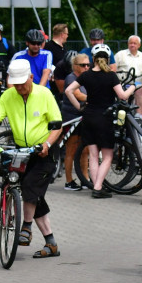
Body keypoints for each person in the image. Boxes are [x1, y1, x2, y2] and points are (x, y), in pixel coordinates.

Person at [0, 59, 64, 256]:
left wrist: (47, 144)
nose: (19, 88)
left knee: (29, 188)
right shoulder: (9, 96)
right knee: (33, 195)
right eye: (15, 84)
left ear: (31, 78)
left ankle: (26, 227)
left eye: (23, 84)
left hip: (44, 151)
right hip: (20, 150)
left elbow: (57, 125)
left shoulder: (44, 94)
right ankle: (51, 243)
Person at [63, 45, 136, 199]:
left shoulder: (86, 75)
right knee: (108, 156)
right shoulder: (111, 75)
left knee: (93, 155)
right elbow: (122, 96)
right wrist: (133, 87)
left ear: (93, 59)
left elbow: (68, 90)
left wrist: (79, 106)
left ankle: (97, 186)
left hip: (88, 117)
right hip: (105, 118)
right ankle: (97, 187)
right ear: (108, 59)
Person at [59, 53, 90, 191]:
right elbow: (77, 94)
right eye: (83, 65)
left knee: (85, 150)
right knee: (71, 149)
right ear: (75, 66)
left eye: (88, 65)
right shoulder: (71, 78)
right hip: (71, 116)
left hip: (83, 117)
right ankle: (69, 181)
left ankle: (85, 179)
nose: (86, 67)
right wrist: (94, 97)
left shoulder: (86, 78)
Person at [44, 23, 69, 99]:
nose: (67, 36)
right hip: (53, 83)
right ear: (62, 34)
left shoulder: (64, 47)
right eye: (67, 34)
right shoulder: (48, 47)